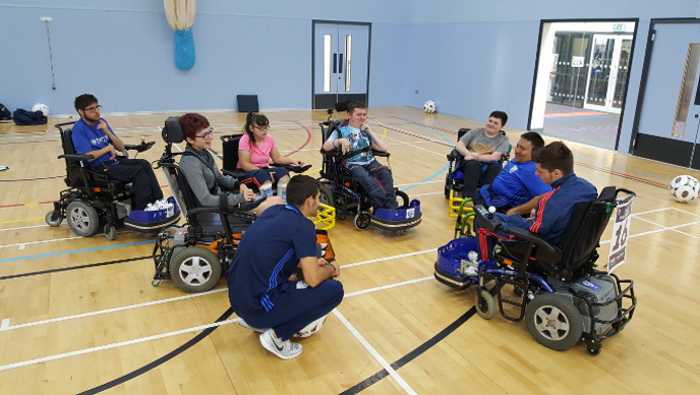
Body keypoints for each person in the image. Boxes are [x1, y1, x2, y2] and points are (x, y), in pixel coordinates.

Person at [227, 175, 344, 360]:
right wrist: (330, 268)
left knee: (300, 274)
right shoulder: (303, 226)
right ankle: (277, 336)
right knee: (335, 290)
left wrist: (309, 263)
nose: (319, 202)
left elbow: (274, 252)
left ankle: (263, 322)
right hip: (257, 307)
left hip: (238, 302)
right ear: (309, 200)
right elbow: (313, 279)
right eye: (317, 197)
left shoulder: (274, 212)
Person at [475, 141, 597, 260]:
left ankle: (485, 265)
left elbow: (535, 230)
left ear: (556, 173)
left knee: (483, 222)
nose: (536, 173)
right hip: (566, 241)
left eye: (540, 171)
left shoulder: (550, 200)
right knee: (496, 216)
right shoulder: (589, 188)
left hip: (540, 243)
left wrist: (537, 219)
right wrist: (540, 217)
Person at [71, 94, 165, 211]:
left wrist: (108, 132)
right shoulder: (79, 129)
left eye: (97, 107)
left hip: (113, 162)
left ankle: (158, 201)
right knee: (137, 171)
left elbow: (121, 148)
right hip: (98, 168)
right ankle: (145, 208)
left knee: (144, 164)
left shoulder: (102, 122)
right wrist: (108, 149)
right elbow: (88, 157)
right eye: (91, 109)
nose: (96, 111)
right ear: (81, 111)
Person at [178, 113, 282, 216]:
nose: (210, 137)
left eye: (210, 132)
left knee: (277, 200)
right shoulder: (191, 163)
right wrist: (240, 198)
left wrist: (239, 184)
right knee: (277, 205)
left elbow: (218, 178)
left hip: (224, 200)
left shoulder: (204, 154)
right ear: (190, 139)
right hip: (215, 209)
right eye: (204, 135)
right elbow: (206, 200)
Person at [322, 101, 398, 210]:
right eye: (358, 115)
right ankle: (389, 207)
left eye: (364, 115)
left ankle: (387, 207)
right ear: (349, 115)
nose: (362, 118)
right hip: (352, 164)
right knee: (365, 177)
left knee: (385, 172)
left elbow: (383, 148)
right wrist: (340, 141)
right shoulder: (341, 131)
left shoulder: (365, 131)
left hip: (370, 162)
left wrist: (370, 131)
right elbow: (326, 146)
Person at [474, 132, 551, 215]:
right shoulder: (520, 159)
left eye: (522, 149)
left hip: (505, 204)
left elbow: (546, 196)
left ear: (534, 154)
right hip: (493, 194)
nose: (517, 150)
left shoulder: (532, 171)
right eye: (517, 146)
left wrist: (516, 211)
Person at [238, 112, 304, 203]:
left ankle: (283, 204)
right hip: (246, 172)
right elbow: (245, 164)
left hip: (263, 170)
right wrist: (264, 173)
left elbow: (277, 158)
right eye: (260, 128)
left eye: (266, 128)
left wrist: (292, 161)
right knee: (264, 176)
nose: (264, 131)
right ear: (251, 128)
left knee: (283, 171)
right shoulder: (245, 140)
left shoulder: (269, 139)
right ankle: (269, 206)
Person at [454, 111, 511, 198]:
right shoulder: (475, 132)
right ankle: (468, 197)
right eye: (490, 121)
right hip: (469, 162)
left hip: (489, 164)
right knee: (473, 164)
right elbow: (459, 145)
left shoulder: (503, 140)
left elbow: (495, 157)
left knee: (496, 167)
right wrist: (469, 154)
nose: (491, 124)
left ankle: (488, 197)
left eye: (495, 123)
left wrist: (477, 157)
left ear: (502, 126)